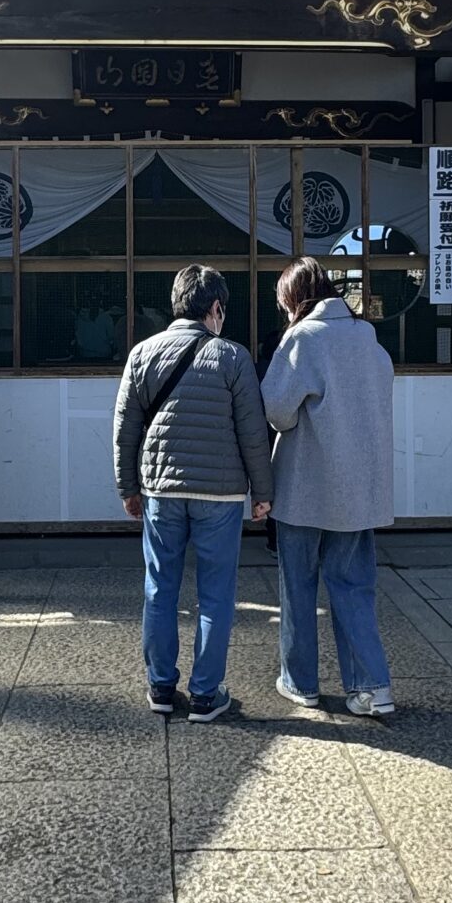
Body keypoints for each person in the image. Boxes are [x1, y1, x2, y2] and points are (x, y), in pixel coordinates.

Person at [113, 263, 273, 722]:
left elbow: (125, 429)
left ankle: (161, 687)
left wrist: (128, 487)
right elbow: (252, 433)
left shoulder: (142, 354)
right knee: (216, 594)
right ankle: (205, 693)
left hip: (161, 490)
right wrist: (262, 492)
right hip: (220, 495)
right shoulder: (233, 358)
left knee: (159, 588)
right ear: (216, 308)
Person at [262, 255, 398, 717]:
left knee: (298, 587)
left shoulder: (302, 338)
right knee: (354, 586)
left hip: (305, 487)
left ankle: (301, 683)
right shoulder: (368, 338)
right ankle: (371, 687)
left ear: (294, 298)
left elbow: (277, 411)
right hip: (359, 489)